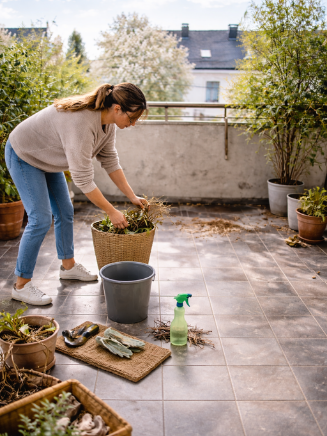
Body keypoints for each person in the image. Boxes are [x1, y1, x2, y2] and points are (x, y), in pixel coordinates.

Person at [5, 82, 148, 306]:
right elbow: (82, 179)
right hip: (23, 153)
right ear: (117, 108)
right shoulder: (82, 123)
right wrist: (111, 211)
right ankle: (21, 286)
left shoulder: (107, 124)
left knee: (65, 211)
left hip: (47, 159)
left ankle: (68, 267)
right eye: (132, 118)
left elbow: (110, 161)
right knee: (40, 219)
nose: (134, 123)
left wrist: (132, 196)